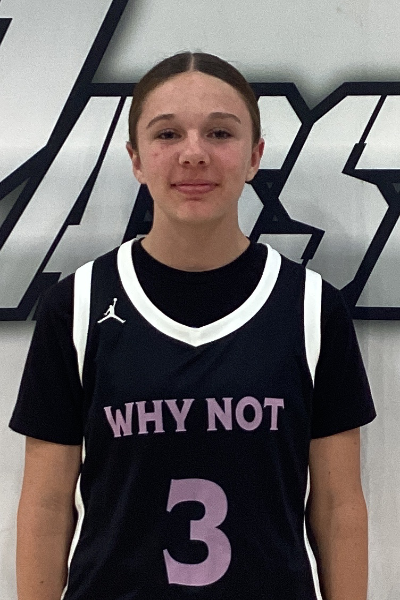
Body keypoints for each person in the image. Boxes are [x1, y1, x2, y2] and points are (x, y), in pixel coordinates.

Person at [10, 51, 376, 600]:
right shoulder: (76, 306)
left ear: (254, 156)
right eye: (167, 134)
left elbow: (337, 505)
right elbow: (45, 505)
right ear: (136, 159)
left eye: (220, 133)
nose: (193, 154)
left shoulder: (312, 307)